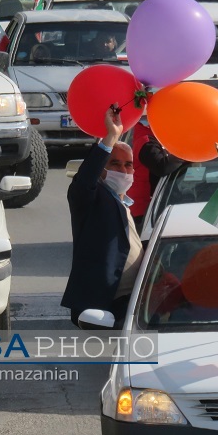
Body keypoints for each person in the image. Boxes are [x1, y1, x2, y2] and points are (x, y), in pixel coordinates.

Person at [62, 106, 143, 328]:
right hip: (104, 306)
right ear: (102, 169)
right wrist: (110, 138)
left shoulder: (124, 203)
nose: (123, 170)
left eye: (128, 165)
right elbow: (85, 180)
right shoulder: (91, 198)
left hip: (134, 302)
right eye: (114, 164)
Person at [130, 117, 184, 233]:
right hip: (145, 211)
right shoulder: (145, 140)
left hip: (160, 206)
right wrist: (186, 152)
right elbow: (162, 166)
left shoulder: (157, 138)